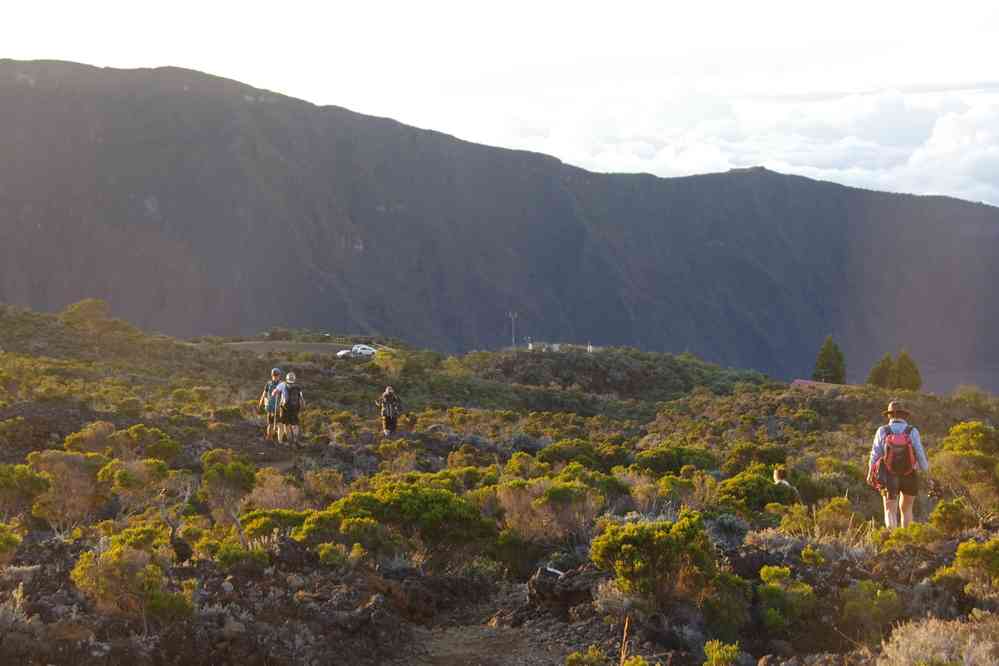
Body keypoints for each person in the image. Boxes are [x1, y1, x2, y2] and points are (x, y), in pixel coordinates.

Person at [867, 400, 929, 529]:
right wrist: (927, 473)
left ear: (889, 415)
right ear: (904, 415)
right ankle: (905, 539)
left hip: (888, 475)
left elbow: (875, 453)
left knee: (890, 510)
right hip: (909, 473)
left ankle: (892, 540)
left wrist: (870, 473)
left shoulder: (882, 430)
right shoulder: (912, 431)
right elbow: (920, 453)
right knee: (907, 510)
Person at [272, 372, 305, 445]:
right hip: (295, 408)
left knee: (284, 424)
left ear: (286, 378)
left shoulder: (283, 384)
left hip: (285, 408)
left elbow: (274, 393)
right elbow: (302, 399)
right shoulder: (298, 387)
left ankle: (283, 441)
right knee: (295, 424)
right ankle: (295, 439)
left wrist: (274, 393)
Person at [257, 368, 283, 440]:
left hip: (278, 407)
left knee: (279, 424)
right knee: (270, 424)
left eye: (277, 375)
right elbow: (264, 394)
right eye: (274, 375)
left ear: (279, 375)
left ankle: (279, 441)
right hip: (270, 407)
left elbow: (284, 396)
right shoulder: (268, 383)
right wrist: (261, 403)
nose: (275, 376)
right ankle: (269, 438)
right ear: (272, 375)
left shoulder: (282, 385)